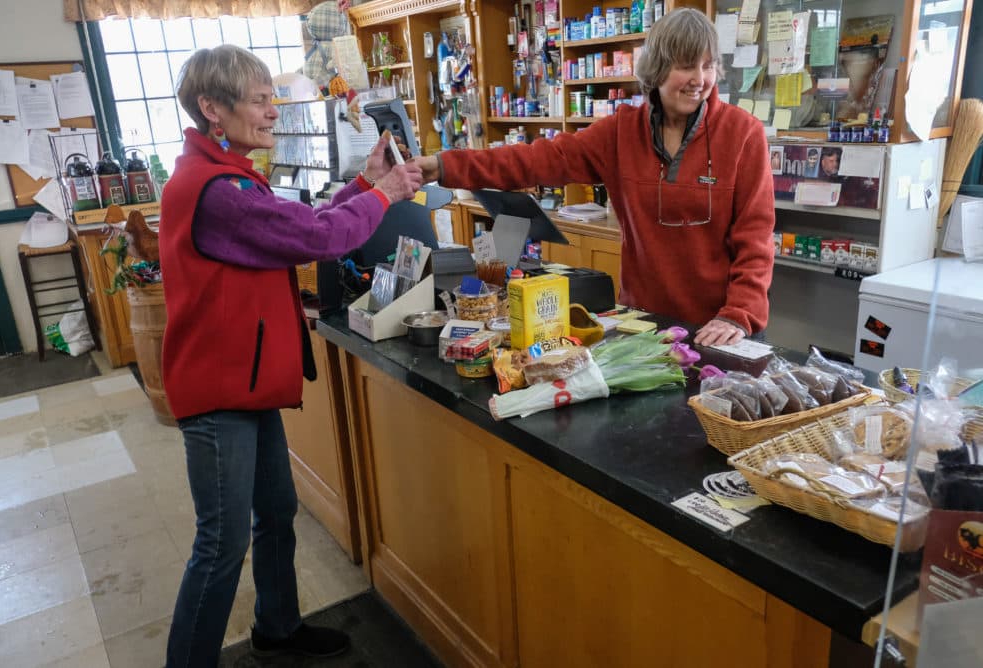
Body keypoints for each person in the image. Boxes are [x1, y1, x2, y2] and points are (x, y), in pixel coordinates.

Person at [159, 45, 422, 667]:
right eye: (259, 100)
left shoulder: (228, 175)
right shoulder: (216, 189)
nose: (273, 112)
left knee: (275, 513)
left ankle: (276, 628)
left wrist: (363, 183)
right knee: (220, 544)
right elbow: (314, 237)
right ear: (211, 109)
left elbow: (294, 223)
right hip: (219, 389)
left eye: (271, 98)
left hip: (247, 383)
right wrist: (384, 193)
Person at [415, 8, 774, 346]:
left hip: (718, 329)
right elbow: (534, 160)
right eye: (686, 66)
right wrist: (444, 166)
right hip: (643, 324)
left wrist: (738, 315)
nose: (700, 80)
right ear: (658, 69)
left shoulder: (744, 134)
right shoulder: (620, 133)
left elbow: (755, 240)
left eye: (708, 66)